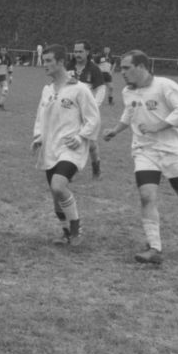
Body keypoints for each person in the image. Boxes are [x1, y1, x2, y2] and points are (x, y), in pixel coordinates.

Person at [103, 50, 178, 264]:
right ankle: (155, 248)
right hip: (144, 150)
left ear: (142, 66)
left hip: (171, 149)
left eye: (127, 68)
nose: (122, 72)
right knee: (146, 195)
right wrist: (116, 130)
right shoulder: (128, 91)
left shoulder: (164, 86)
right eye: (121, 68)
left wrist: (157, 126)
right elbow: (129, 111)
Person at [32, 44, 101, 246]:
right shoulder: (46, 90)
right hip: (50, 148)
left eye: (48, 61)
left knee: (58, 186)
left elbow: (93, 119)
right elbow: (40, 117)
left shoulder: (79, 89)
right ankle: (66, 233)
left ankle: (76, 229)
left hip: (71, 147)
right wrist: (38, 137)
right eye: (43, 61)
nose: (44, 65)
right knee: (56, 194)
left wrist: (81, 137)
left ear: (61, 63)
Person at [67, 40, 105, 178]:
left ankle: (96, 167)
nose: (77, 54)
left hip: (88, 113)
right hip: (70, 111)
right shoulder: (69, 66)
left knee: (91, 145)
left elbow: (101, 89)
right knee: (70, 139)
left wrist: (93, 107)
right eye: (75, 51)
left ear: (87, 52)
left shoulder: (94, 69)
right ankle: (67, 172)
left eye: (80, 51)